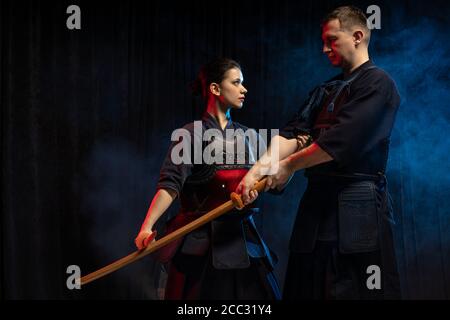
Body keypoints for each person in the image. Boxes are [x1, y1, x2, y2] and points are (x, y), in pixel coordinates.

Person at [237, 6, 401, 299]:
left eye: (332, 40)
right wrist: (258, 171)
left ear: (358, 36)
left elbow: (341, 141)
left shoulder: (378, 84)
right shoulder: (324, 90)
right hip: (316, 211)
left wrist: (287, 166)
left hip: (358, 209)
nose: (324, 48)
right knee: (307, 288)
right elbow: (292, 133)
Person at [134, 58, 281, 300]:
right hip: (200, 246)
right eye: (236, 82)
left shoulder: (250, 136)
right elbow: (170, 186)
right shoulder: (190, 135)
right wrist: (146, 227)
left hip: (243, 242)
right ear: (215, 88)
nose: (244, 89)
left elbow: (276, 182)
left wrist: (288, 165)